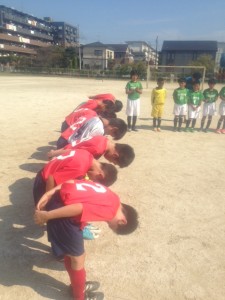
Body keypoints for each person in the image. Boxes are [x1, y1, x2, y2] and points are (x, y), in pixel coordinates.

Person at [34, 179, 139, 300]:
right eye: (113, 227)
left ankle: (77, 286)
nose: (109, 225)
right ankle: (79, 296)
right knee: (78, 259)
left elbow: (74, 182)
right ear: (122, 221)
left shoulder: (113, 197)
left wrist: (50, 193)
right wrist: (47, 215)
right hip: (63, 215)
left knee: (72, 255)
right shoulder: (110, 212)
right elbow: (79, 208)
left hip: (59, 200)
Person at [33, 149, 118, 205]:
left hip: (47, 169)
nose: (91, 180)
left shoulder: (87, 154)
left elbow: (68, 151)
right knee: (50, 208)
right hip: (43, 181)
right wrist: (48, 200)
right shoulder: (80, 169)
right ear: (100, 175)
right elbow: (51, 178)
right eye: (94, 181)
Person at [57, 108, 127, 149]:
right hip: (67, 144)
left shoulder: (95, 117)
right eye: (110, 134)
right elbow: (81, 144)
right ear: (114, 129)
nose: (107, 134)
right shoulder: (99, 129)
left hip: (64, 138)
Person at [48, 135, 135, 168]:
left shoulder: (103, 139)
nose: (109, 161)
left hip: (66, 148)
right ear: (115, 155)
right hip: (63, 157)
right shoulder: (98, 149)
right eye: (112, 162)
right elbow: (72, 152)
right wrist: (53, 154)